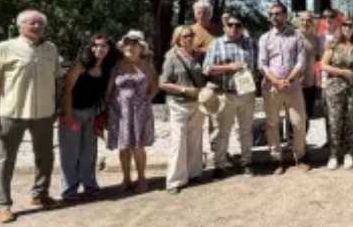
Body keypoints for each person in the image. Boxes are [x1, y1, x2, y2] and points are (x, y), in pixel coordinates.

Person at [0, 10, 61, 223]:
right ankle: (2, 205)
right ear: (20, 26)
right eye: (31, 23)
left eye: (40, 23)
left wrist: (57, 108)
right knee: (5, 160)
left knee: (45, 158)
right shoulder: (4, 48)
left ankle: (40, 195)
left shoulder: (51, 49)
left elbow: (56, 79)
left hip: (44, 113)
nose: (36, 26)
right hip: (11, 113)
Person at [58, 33, 118, 201]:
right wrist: (68, 116)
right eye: (95, 45)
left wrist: (102, 116)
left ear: (109, 48)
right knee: (70, 153)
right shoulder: (81, 65)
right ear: (90, 48)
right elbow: (67, 89)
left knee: (89, 152)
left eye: (103, 45)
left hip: (91, 113)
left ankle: (90, 186)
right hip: (73, 112)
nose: (99, 49)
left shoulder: (107, 68)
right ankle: (69, 190)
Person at [203, 13, 258, 177]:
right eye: (231, 25)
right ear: (224, 27)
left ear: (242, 27)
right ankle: (219, 165)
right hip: (225, 94)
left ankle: (246, 162)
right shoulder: (216, 44)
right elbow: (207, 68)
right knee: (222, 131)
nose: (234, 28)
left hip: (247, 93)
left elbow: (256, 66)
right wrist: (230, 67)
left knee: (246, 130)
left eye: (238, 25)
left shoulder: (250, 43)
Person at [258, 1, 309, 174]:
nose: (275, 16)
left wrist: (288, 79)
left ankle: (299, 157)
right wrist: (276, 81)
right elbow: (262, 64)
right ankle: (277, 160)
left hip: (292, 86)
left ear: (285, 15)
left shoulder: (296, 36)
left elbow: (301, 61)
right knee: (272, 123)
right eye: (272, 14)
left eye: (278, 13)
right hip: (272, 88)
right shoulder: (265, 38)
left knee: (299, 123)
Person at [107, 30, 159, 193]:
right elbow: (109, 88)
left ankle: (142, 178)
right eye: (127, 44)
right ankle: (126, 178)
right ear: (123, 47)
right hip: (119, 112)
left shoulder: (148, 66)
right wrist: (108, 106)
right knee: (123, 147)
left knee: (138, 146)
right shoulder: (116, 66)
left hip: (140, 112)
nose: (130, 47)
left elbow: (155, 86)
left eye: (135, 44)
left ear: (141, 47)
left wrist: (146, 99)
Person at [159, 25, 207, 194]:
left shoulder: (198, 55)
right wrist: (184, 89)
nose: (189, 38)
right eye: (185, 36)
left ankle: (194, 174)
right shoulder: (171, 57)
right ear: (178, 38)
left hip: (197, 103)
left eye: (191, 35)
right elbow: (163, 83)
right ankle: (175, 181)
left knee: (195, 139)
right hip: (178, 103)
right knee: (178, 141)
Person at [320, 16, 353, 170]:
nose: (347, 28)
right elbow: (323, 65)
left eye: (350, 25)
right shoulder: (333, 44)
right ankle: (333, 154)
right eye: (344, 25)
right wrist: (342, 72)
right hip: (334, 89)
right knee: (335, 122)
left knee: (350, 122)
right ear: (340, 27)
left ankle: (348, 153)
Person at [297, 10, 324, 133]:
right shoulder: (292, 36)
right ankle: (292, 143)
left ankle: (302, 143)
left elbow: (319, 59)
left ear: (312, 22)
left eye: (308, 20)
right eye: (302, 20)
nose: (305, 22)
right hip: (294, 83)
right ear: (298, 21)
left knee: (307, 114)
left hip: (310, 83)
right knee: (294, 115)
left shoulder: (315, 39)